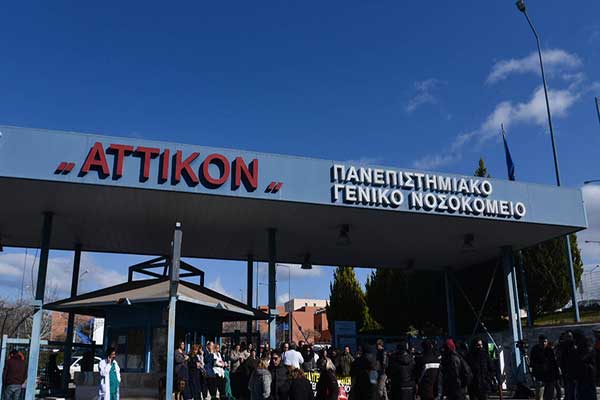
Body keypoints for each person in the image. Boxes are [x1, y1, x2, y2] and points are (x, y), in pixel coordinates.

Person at [531, 335, 556, 400]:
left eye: (545, 342)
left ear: (547, 342)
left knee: (549, 396)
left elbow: (553, 362)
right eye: (542, 342)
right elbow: (532, 363)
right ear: (539, 342)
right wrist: (540, 366)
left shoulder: (550, 350)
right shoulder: (535, 350)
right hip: (539, 375)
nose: (543, 343)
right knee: (539, 396)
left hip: (549, 376)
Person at [573, 330, 597, 400]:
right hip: (586, 374)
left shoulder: (583, 346)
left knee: (586, 393)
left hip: (586, 374)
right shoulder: (585, 345)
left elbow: (582, 358)